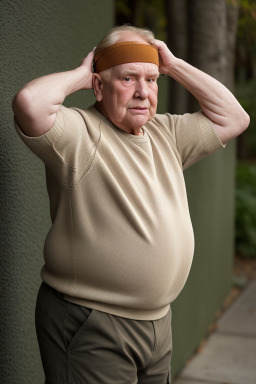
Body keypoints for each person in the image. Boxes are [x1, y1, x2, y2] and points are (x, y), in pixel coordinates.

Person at [12, 25, 249, 384]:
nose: (143, 92)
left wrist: (174, 66)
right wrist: (82, 73)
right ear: (98, 86)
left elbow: (235, 118)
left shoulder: (166, 134)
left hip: (157, 324)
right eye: (127, 78)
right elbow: (30, 103)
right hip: (92, 322)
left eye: (152, 80)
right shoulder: (80, 134)